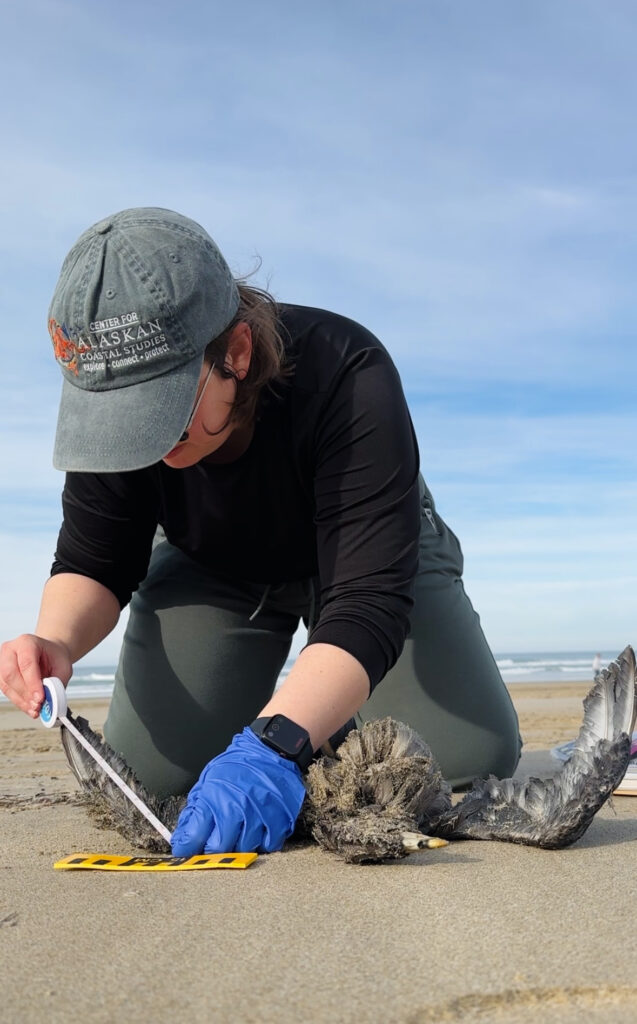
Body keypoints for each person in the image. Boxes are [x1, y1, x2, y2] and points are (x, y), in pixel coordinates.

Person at [0, 207, 520, 856]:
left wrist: (277, 741)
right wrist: (55, 641)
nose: (145, 441)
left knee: (466, 758)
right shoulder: (113, 410)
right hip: (212, 564)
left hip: (367, 558)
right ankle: (315, 712)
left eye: (164, 409)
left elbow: (365, 602)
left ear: (237, 352)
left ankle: (318, 714)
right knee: (160, 779)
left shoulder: (345, 369)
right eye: (120, 418)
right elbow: (95, 558)